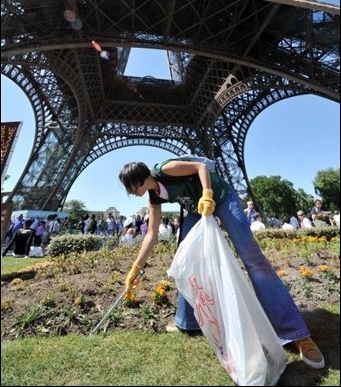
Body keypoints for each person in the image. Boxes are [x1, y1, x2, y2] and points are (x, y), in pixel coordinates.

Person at [119, 158, 325, 369]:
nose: (129, 191)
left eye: (129, 186)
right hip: (197, 208)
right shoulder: (153, 197)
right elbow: (151, 234)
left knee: (253, 259)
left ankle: (295, 333)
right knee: (185, 259)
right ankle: (188, 322)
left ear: (139, 179)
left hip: (222, 198)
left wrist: (208, 194)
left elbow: (200, 167)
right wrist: (135, 268)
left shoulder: (164, 169)